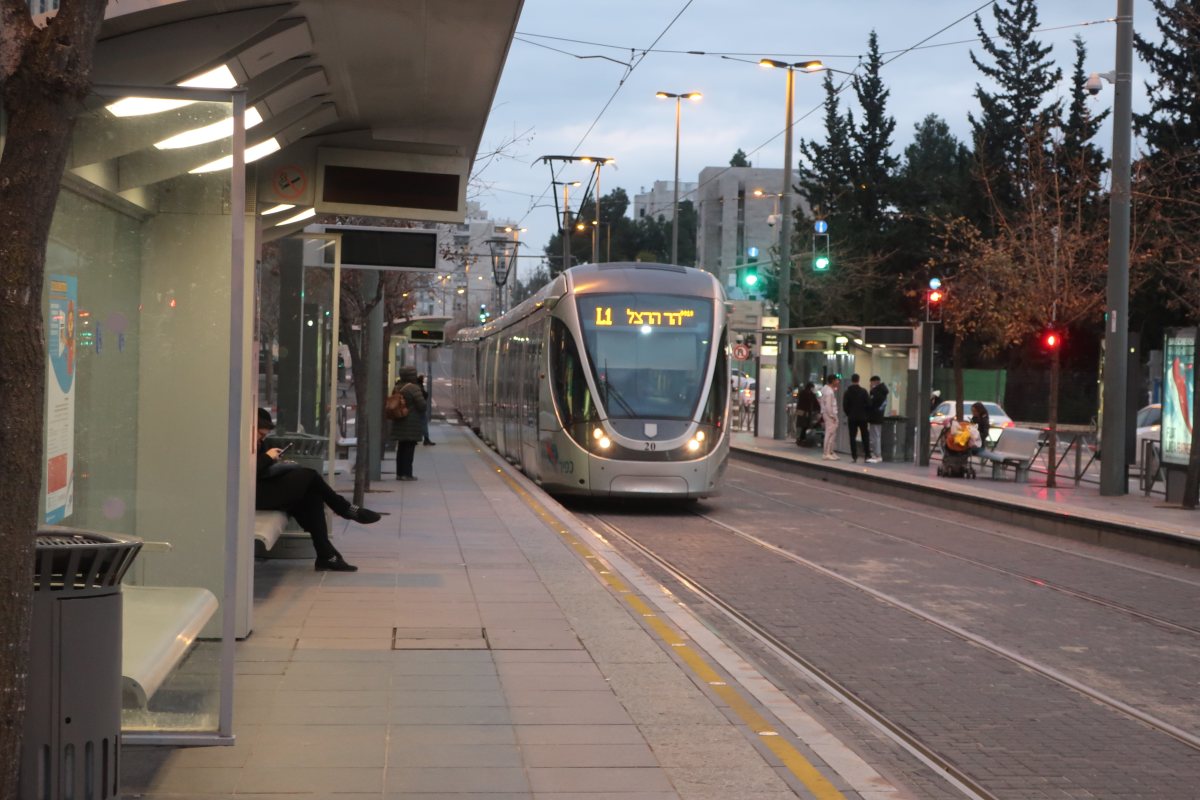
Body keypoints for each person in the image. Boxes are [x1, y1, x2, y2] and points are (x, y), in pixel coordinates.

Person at [255, 408, 380, 572]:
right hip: (253, 495)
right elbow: (246, 472)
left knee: (311, 494)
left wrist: (273, 460)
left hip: (262, 489)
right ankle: (343, 510)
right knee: (310, 476)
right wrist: (267, 457)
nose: (261, 439)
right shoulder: (240, 441)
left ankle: (326, 554)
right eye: (260, 435)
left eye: (264, 436)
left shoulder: (256, 442)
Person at [390, 366, 427, 480]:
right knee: (409, 450)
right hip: (411, 423)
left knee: (401, 449)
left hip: (399, 421)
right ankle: (407, 474)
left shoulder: (397, 387)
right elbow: (422, 406)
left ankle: (399, 473)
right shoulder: (414, 388)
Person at [842, 374, 872, 463]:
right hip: (862, 417)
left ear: (852, 380)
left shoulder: (847, 392)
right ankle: (867, 455)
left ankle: (854, 456)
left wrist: (849, 413)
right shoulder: (863, 391)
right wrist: (865, 413)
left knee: (852, 436)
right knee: (865, 436)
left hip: (852, 417)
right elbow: (869, 404)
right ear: (858, 380)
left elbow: (845, 406)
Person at [819, 374, 841, 460]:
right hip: (829, 415)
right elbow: (828, 406)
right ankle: (826, 453)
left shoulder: (825, 389)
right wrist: (833, 416)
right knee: (830, 434)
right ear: (833, 381)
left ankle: (830, 451)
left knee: (832, 433)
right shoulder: (829, 392)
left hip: (827, 414)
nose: (838, 382)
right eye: (837, 380)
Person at [867, 376, 889, 464]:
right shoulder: (883, 392)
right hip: (878, 416)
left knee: (875, 436)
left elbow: (871, 403)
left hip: (874, 416)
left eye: (871, 383)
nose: (870, 385)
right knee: (876, 435)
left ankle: (877, 455)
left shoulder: (877, 392)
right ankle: (876, 454)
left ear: (875, 382)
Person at [795, 382, 820, 447]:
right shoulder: (810, 394)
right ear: (811, 387)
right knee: (805, 426)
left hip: (800, 411)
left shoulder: (802, 393)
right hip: (806, 412)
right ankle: (802, 439)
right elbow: (815, 403)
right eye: (812, 388)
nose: (813, 389)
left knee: (802, 426)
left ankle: (800, 438)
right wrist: (818, 409)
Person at [418, 373, 436, 446]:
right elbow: (422, 396)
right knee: (423, 423)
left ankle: (418, 439)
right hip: (419, 409)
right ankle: (426, 439)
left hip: (414, 409)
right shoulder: (418, 386)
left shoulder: (413, 385)